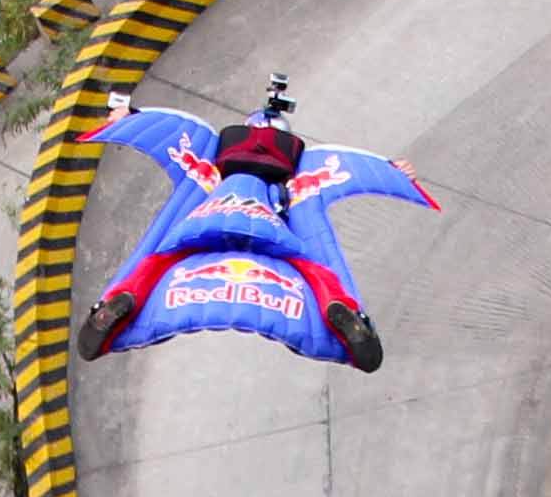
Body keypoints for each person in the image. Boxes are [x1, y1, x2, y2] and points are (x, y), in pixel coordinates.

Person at [76, 79, 435, 372]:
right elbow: (358, 171)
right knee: (320, 273)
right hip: (268, 230)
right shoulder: (301, 171)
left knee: (154, 262)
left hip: (206, 225)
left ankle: (116, 304)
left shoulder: (210, 155)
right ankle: (339, 308)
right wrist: (396, 171)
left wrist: (126, 114)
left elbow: (164, 131)